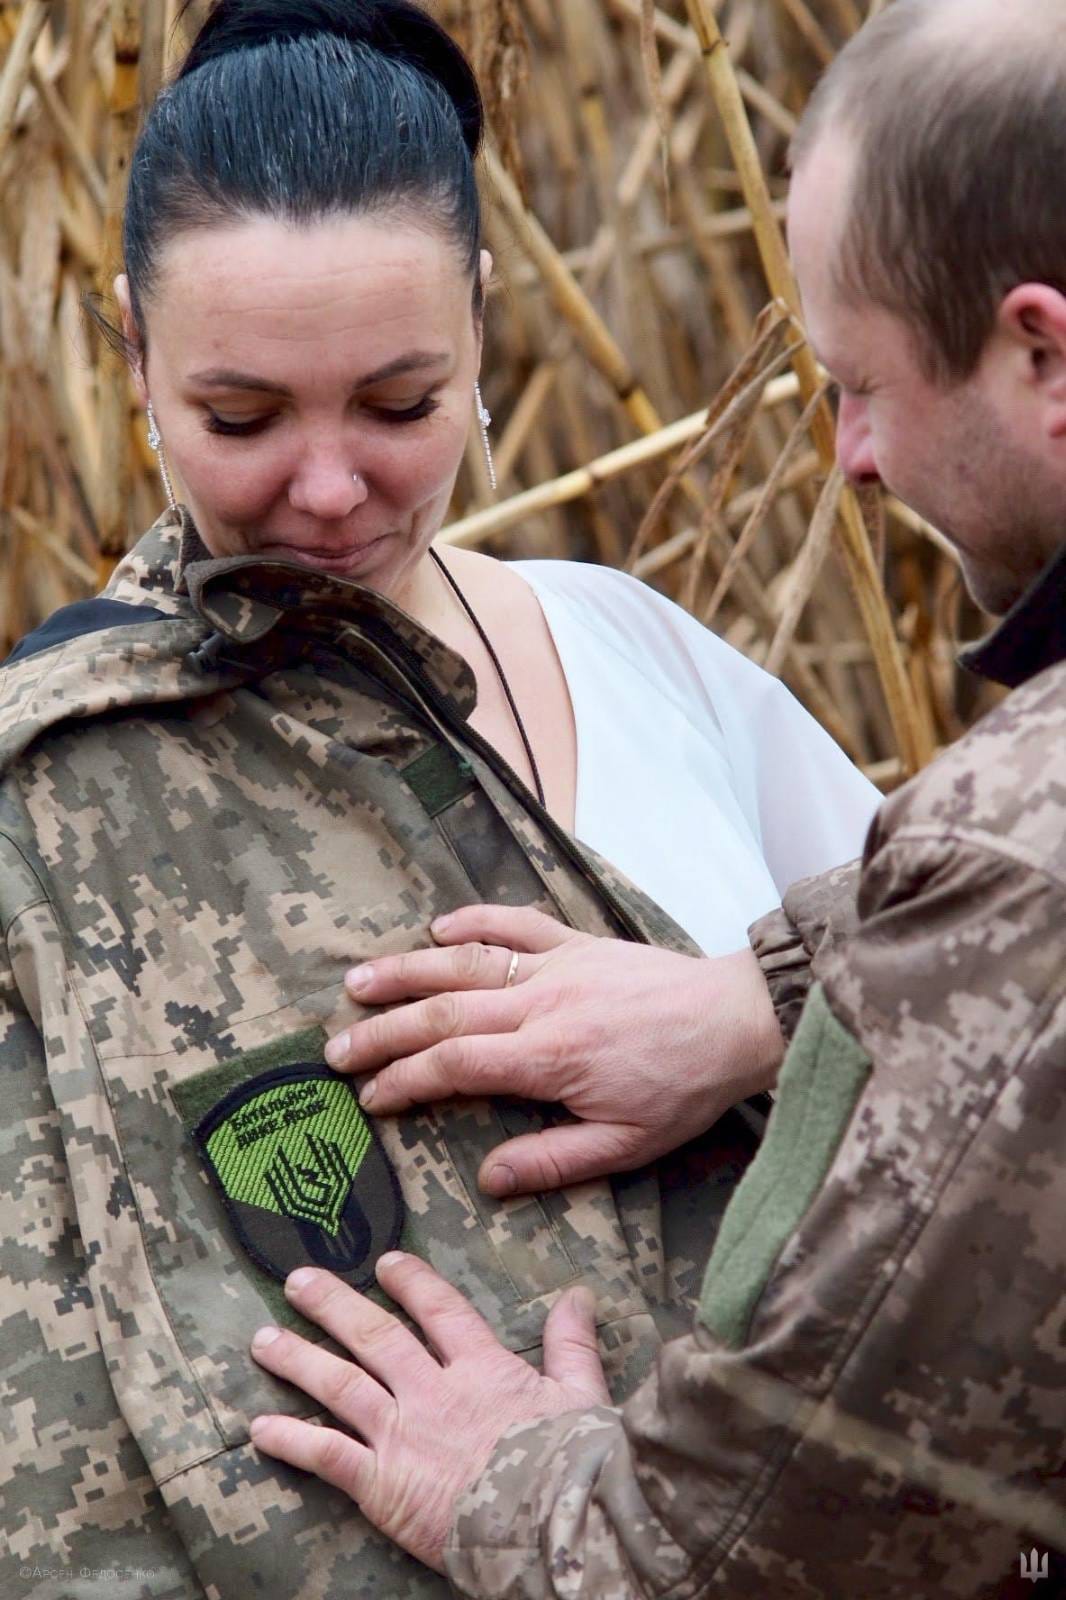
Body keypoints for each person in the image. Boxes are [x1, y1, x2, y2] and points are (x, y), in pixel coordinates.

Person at [0, 3, 877, 1596]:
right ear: (131, 349)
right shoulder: (51, 800)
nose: (329, 489)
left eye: (399, 404)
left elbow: (992, 995)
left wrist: (745, 1016)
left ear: (480, 316)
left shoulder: (640, 650)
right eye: (242, 418)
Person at [242, 0, 1066, 1594]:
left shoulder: (970, 840)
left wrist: (505, 1478)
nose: (848, 458)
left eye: (859, 384)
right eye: (244, 413)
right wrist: (771, 994)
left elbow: (739, 1551)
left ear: (1040, 350)